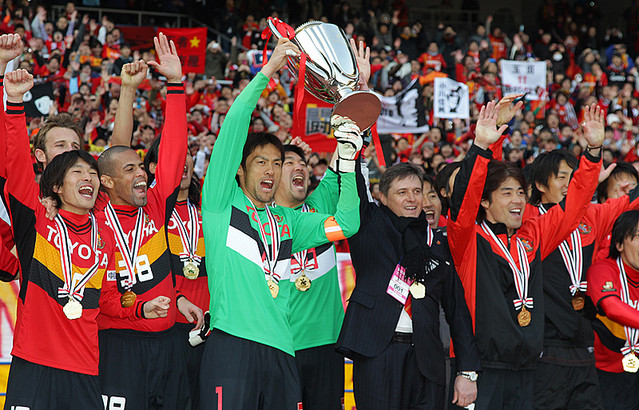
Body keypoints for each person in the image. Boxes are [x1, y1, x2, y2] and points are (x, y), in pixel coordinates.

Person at [199, 37, 361, 410]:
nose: (271, 170)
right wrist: (269, 70)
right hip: (233, 346)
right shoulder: (222, 204)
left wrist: (349, 161)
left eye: (276, 163)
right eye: (261, 162)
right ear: (239, 171)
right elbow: (234, 124)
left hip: (283, 351)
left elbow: (346, 224)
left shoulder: (288, 222)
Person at [1, 69, 167, 408]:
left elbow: (107, 298)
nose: (88, 178)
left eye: (92, 173)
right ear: (57, 185)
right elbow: (15, 165)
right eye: (77, 172)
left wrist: (140, 307)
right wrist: (15, 102)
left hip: (86, 369)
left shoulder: (104, 234)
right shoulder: (39, 221)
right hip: (35, 363)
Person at [447, 101, 603, 409]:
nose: (517, 199)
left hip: (529, 369)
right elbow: (466, 198)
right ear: (485, 203)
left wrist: (594, 152)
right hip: (482, 369)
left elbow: (573, 206)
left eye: (520, 192)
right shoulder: (468, 239)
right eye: (506, 193)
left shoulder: (531, 237)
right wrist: (483, 146)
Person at [95, 33, 203, 409]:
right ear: (106, 183)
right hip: (118, 347)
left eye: (142, 167)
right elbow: (115, 148)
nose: (141, 173)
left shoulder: (155, 205)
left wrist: (175, 86)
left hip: (168, 345)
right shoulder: (95, 215)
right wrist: (128, 91)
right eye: (130, 170)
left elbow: (173, 152)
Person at [337, 160, 480, 410]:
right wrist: (355, 151)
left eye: (417, 191)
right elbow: (354, 186)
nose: (412, 199)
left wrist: (467, 372)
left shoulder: (437, 243)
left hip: (427, 359)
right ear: (383, 197)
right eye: (402, 192)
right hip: (377, 354)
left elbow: (457, 309)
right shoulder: (369, 226)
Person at [526, 145, 639, 410]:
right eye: (561, 177)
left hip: (585, 348)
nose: (569, 184)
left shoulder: (592, 217)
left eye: (574, 177)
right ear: (540, 185)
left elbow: (629, 202)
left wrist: (594, 184)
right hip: (545, 348)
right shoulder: (529, 222)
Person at [273, 142, 345, 410]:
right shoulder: (259, 219)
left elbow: (340, 164)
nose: (300, 167)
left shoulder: (320, 205)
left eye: (303, 163)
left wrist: (350, 129)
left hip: (328, 343)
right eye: (289, 163)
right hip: (281, 345)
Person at [587, 210, 639, 410]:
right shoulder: (603, 269)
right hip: (603, 374)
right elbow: (612, 307)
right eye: (638, 236)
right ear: (619, 244)